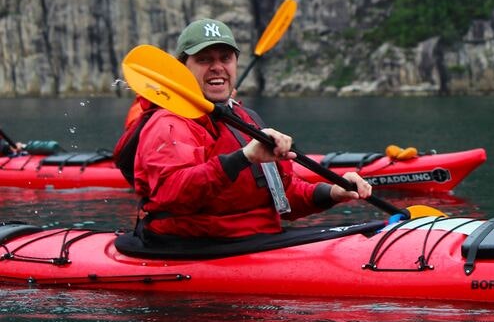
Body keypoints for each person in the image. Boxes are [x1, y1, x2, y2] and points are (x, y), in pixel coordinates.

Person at [131, 18, 372, 239]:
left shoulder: (244, 118)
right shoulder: (170, 123)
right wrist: (244, 157)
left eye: (225, 58)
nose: (217, 67)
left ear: (235, 63)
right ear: (183, 68)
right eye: (204, 59)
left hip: (257, 238)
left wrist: (332, 193)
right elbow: (174, 193)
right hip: (195, 246)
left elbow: (282, 195)